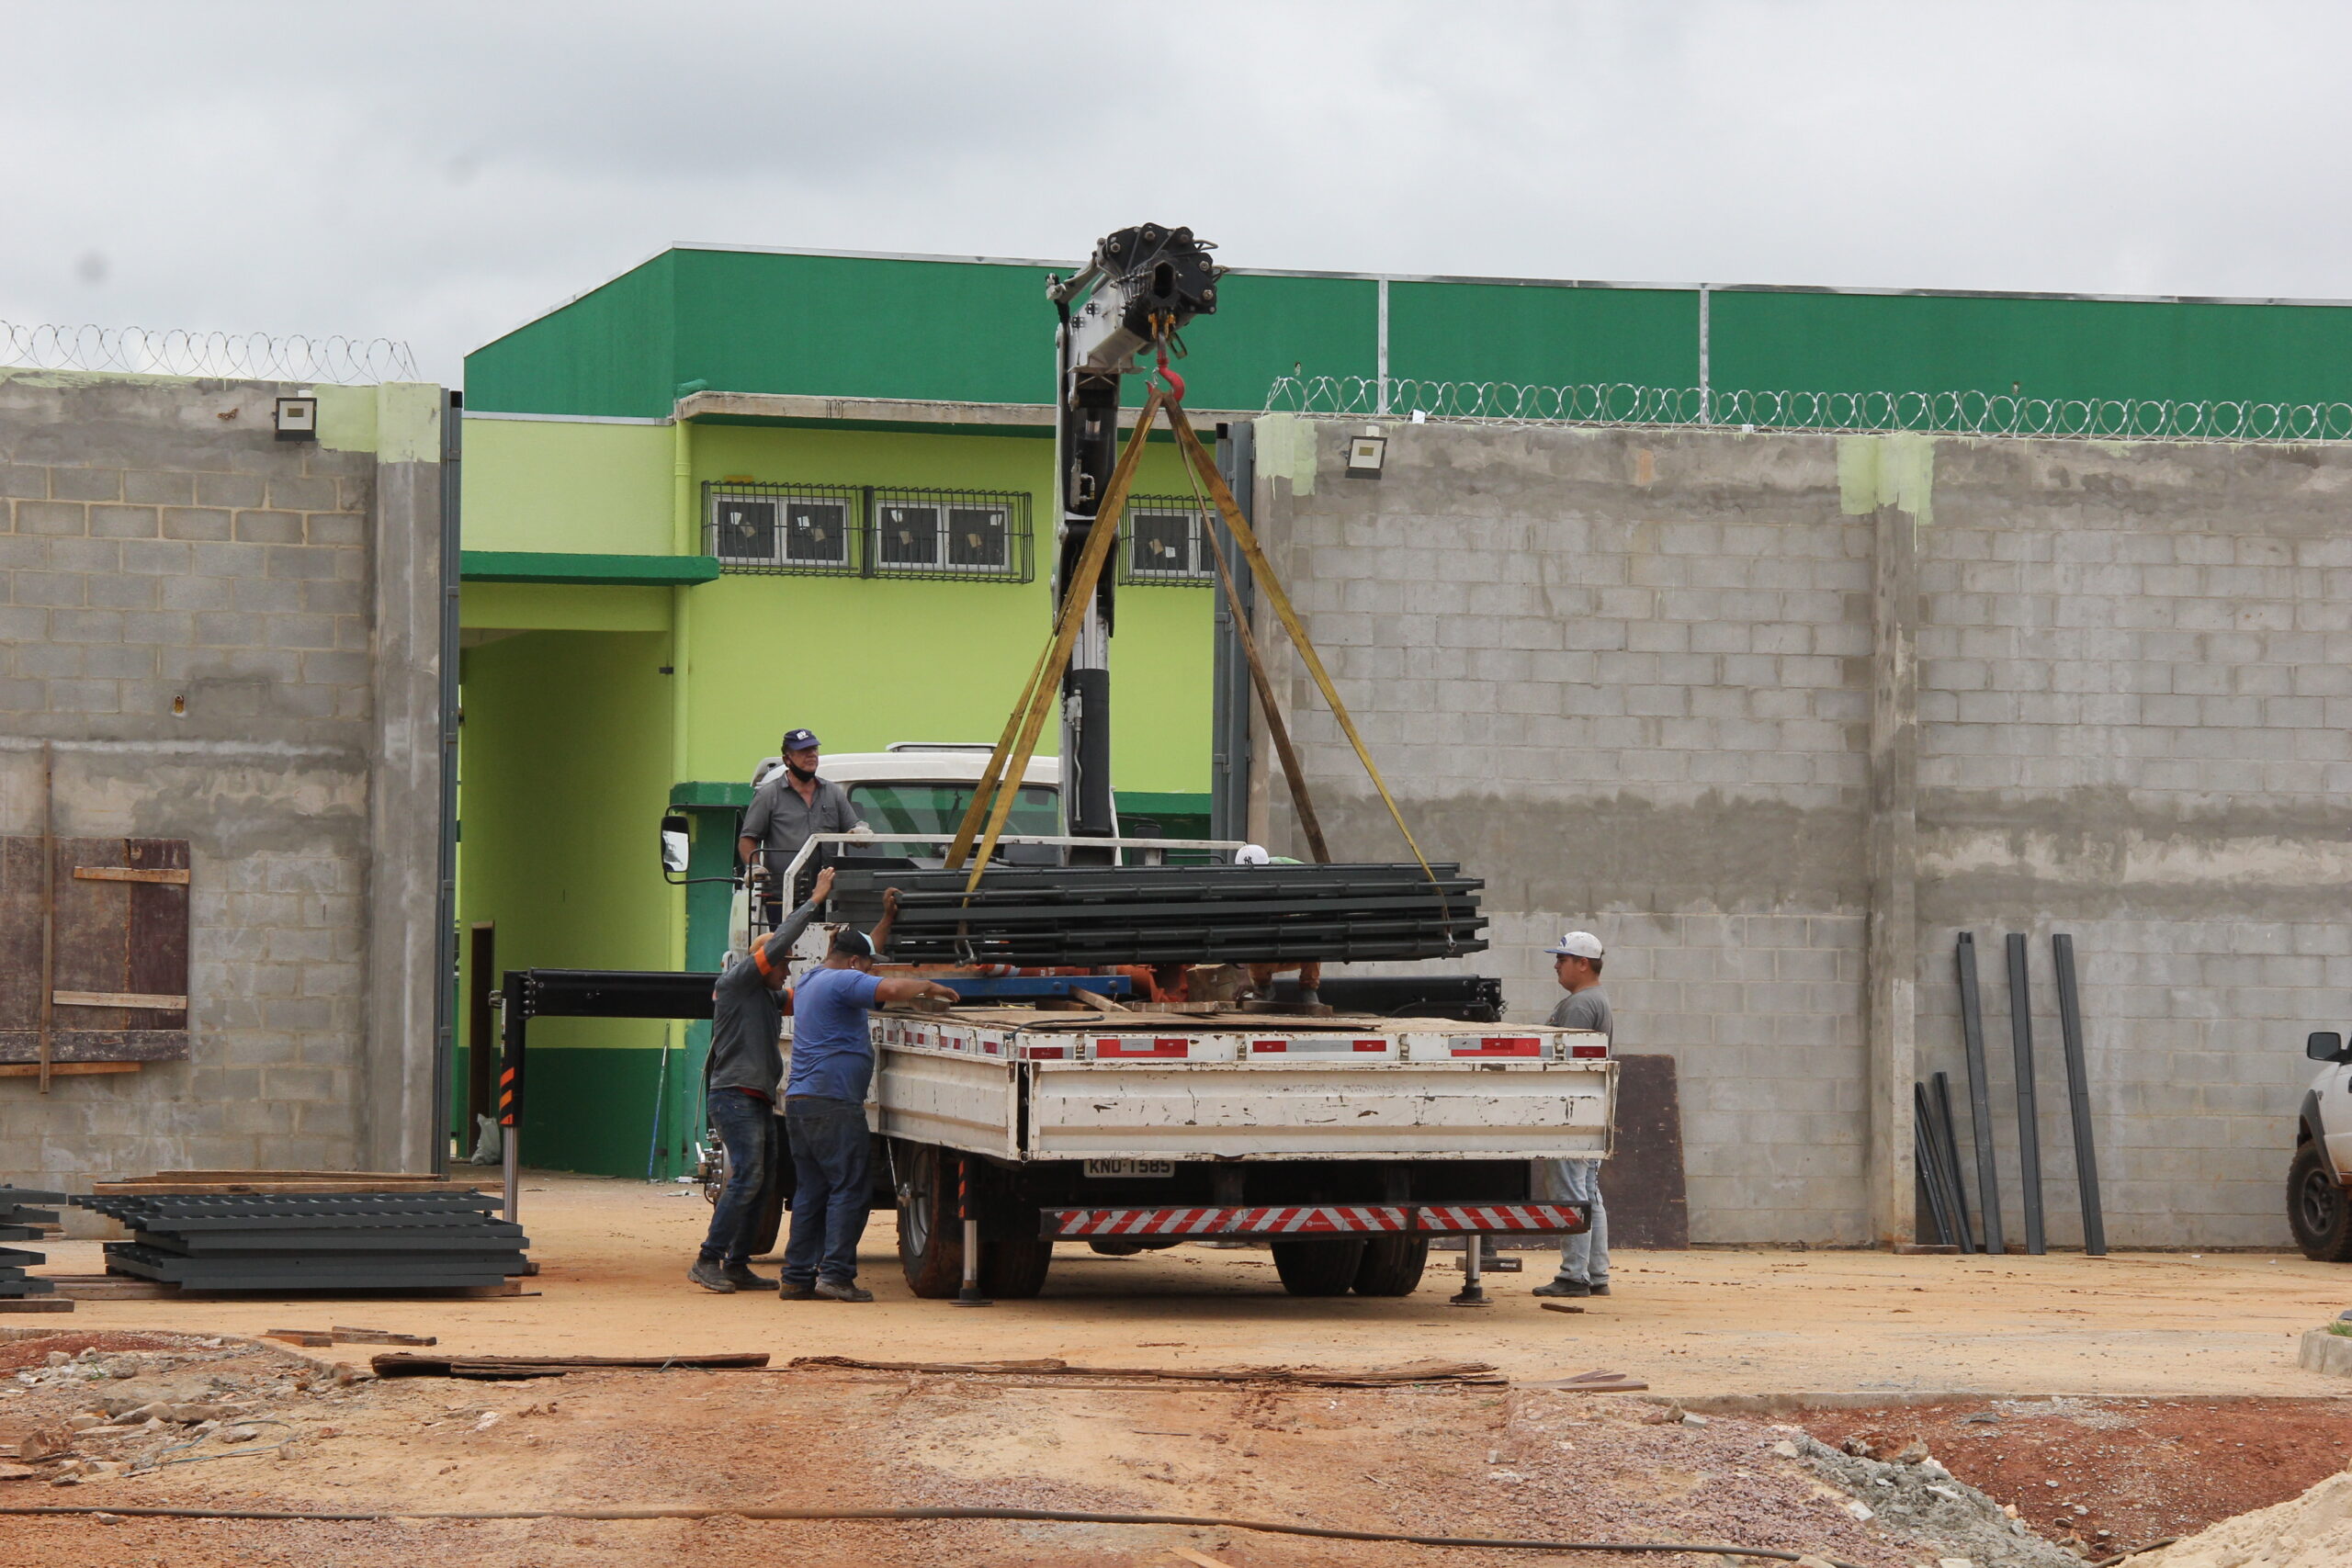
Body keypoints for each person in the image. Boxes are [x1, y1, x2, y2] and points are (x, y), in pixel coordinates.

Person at [780, 893, 959, 1302]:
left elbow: (868, 951)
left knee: (812, 1190)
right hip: (833, 1101)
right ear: (856, 965)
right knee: (849, 1187)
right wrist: (931, 985)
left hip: (802, 1101)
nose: (870, 971)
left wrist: (886, 919)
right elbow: (893, 986)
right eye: (868, 966)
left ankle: (797, 1276)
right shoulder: (845, 980)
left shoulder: (810, 978)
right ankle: (837, 1275)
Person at [689, 865, 838, 1293]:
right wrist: (815, 900)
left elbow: (813, 992)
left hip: (753, 1096)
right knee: (749, 1176)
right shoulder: (738, 982)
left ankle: (735, 1263)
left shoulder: (766, 995)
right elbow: (783, 942)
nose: (787, 972)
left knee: (763, 1181)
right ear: (764, 962)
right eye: (783, 964)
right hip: (735, 1095)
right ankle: (707, 1259)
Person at [1532, 931, 1614, 1300]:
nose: (1556, 965)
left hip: (1571, 1110)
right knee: (1589, 1194)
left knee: (1571, 1193)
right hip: (1587, 1108)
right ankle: (1595, 1274)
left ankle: (1572, 1277)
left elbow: (1567, 1064)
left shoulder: (1580, 1006)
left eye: (1562, 959)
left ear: (1583, 964)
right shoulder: (1595, 999)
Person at [738, 728, 865, 912]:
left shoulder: (832, 792)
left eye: (814, 749)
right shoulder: (769, 794)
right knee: (784, 941)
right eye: (804, 751)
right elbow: (748, 838)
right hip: (784, 897)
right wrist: (754, 867)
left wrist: (860, 832)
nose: (812, 755)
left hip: (827, 896)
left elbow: (853, 827)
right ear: (787, 759)